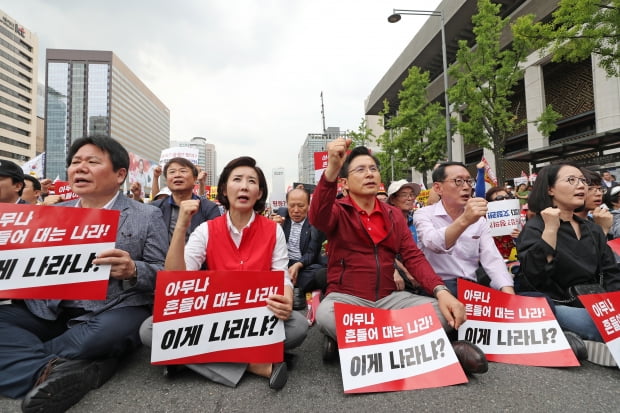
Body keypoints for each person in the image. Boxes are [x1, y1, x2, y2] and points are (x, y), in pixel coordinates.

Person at [0, 136, 168, 412]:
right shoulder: (53, 213)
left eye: (92, 162)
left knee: (102, 337)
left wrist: (134, 269)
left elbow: (163, 272)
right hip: (51, 308)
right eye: (75, 162)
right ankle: (64, 370)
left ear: (119, 174)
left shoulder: (146, 215)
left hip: (113, 309)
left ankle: (26, 360)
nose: (80, 168)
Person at [309, 138, 488, 375]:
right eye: (360, 170)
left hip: (389, 300)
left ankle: (348, 344)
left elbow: (413, 257)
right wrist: (331, 169)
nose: (369, 174)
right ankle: (437, 347)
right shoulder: (338, 211)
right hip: (348, 299)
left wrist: (441, 291)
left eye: (373, 168)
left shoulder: (394, 215)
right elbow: (318, 215)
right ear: (345, 183)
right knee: (325, 315)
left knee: (441, 311)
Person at [141, 156, 308, 389]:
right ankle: (253, 364)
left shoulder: (273, 230)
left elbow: (280, 273)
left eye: (251, 181)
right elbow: (176, 278)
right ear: (224, 190)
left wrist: (286, 298)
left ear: (259, 193)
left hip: (257, 315)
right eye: (237, 179)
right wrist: (180, 226)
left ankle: (186, 358)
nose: (244, 186)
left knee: (298, 326)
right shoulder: (206, 230)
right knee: (150, 330)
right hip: (215, 317)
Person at [516, 163, 620, 366]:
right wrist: (551, 231)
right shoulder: (535, 227)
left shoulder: (592, 229)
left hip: (595, 302)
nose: (580, 186)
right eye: (571, 180)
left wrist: (613, 305)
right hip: (558, 304)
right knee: (596, 324)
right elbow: (534, 277)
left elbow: (611, 272)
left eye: (582, 180)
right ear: (550, 189)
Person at [414, 162, 515, 296]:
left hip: (471, 289)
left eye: (469, 181)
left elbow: (492, 258)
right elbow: (434, 244)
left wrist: (507, 290)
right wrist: (465, 220)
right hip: (439, 288)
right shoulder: (424, 214)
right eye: (458, 181)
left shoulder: (479, 220)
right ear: (438, 188)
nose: (466, 187)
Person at [274, 186, 326, 311]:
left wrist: (299, 264)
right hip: (283, 263)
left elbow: (312, 252)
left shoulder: (315, 223)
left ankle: (286, 286)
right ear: (287, 205)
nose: (296, 210)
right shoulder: (280, 216)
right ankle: (293, 287)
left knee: (320, 272)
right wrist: (273, 228)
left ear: (309, 205)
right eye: (292, 206)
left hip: (304, 266)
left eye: (301, 206)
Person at [150, 157, 220, 244]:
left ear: (195, 179)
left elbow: (216, 241)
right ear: (167, 180)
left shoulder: (209, 208)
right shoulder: (155, 208)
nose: (177, 175)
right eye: (172, 172)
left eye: (183, 171)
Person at [386, 179, 423, 292]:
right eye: (404, 195)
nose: (410, 198)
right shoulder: (385, 222)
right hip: (396, 280)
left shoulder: (418, 220)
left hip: (420, 275)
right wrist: (405, 272)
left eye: (412, 195)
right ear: (392, 199)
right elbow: (384, 253)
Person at [484, 186, 520, 261]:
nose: (505, 200)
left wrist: (521, 236)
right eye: (499, 198)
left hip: (516, 262)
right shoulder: (483, 222)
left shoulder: (517, 218)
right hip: (494, 263)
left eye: (507, 197)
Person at [576, 169, 613, 237]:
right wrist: (602, 229)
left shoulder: (595, 219)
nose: (599, 194)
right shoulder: (567, 226)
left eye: (599, 189)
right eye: (590, 189)